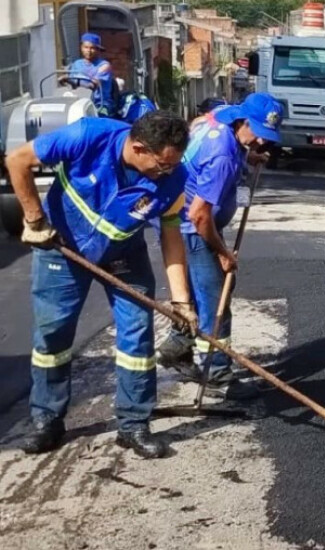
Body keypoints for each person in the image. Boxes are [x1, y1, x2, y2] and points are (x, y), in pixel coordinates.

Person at [5, 111, 198, 459]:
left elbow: (172, 237)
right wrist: (34, 218)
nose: (167, 172)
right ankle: (47, 420)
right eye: (162, 165)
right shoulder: (88, 136)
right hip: (60, 247)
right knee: (53, 335)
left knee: (137, 335)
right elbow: (17, 160)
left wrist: (181, 302)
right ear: (138, 148)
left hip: (124, 254)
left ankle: (134, 424)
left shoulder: (175, 178)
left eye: (173, 165)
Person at [156, 93, 284, 400]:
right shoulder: (224, 155)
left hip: (183, 220)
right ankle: (217, 376)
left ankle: (177, 347)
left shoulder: (218, 118)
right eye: (258, 134)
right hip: (194, 228)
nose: (263, 143)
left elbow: (199, 128)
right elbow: (200, 216)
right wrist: (223, 253)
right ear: (242, 121)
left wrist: (248, 156)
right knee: (216, 300)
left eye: (267, 138)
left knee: (200, 295)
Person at [60, 33, 118, 117]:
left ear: (98, 49)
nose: (88, 51)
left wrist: (76, 82)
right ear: (81, 48)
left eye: (92, 48)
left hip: (99, 104)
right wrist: (66, 80)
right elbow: (73, 85)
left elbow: (92, 85)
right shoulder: (77, 64)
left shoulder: (104, 66)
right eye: (86, 47)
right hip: (80, 102)